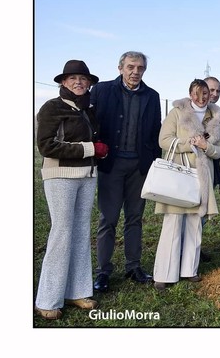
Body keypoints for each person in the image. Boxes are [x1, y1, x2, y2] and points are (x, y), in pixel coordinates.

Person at [35, 60, 108, 319]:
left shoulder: (88, 109)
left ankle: (77, 291)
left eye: (83, 78)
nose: (78, 82)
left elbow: (91, 140)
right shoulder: (51, 107)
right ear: (63, 82)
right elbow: (46, 146)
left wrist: (98, 148)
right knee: (62, 233)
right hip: (60, 176)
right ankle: (47, 298)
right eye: (72, 78)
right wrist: (90, 149)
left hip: (87, 176)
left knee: (80, 232)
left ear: (89, 83)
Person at [91, 51, 161, 292]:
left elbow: (154, 133)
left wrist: (153, 163)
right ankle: (103, 271)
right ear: (120, 68)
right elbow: (91, 123)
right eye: (131, 67)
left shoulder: (152, 96)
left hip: (139, 167)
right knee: (108, 219)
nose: (135, 71)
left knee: (134, 218)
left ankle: (133, 266)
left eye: (140, 68)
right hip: (111, 165)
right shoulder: (101, 90)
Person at [153, 79, 220, 290]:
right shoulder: (177, 112)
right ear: (190, 93)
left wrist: (206, 147)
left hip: (203, 177)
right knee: (174, 222)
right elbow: (164, 140)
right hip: (179, 173)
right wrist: (189, 144)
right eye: (197, 93)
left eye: (206, 93)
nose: (202, 98)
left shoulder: (217, 118)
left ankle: (189, 270)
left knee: (195, 222)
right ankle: (164, 273)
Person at [199, 76, 220, 263]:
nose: (214, 94)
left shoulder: (219, 116)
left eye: (217, 91)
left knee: (203, 213)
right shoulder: (190, 112)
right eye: (211, 90)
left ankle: (195, 248)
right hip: (191, 171)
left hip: (211, 169)